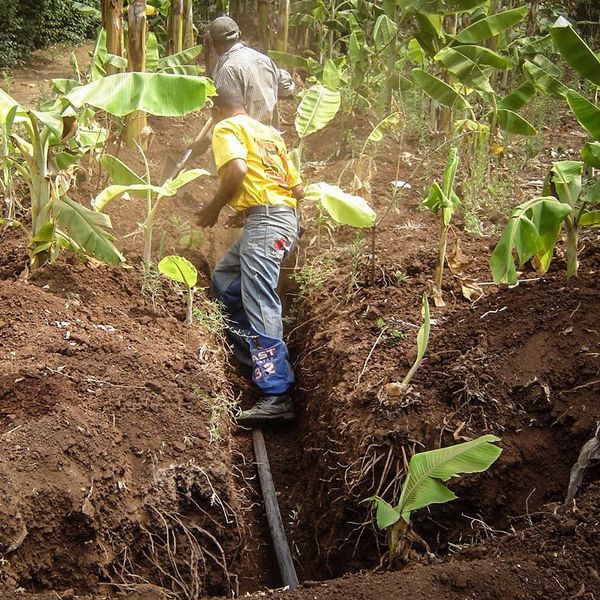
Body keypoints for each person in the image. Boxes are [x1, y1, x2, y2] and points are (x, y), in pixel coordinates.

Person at [196, 88, 303, 425]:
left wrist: (214, 208)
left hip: (268, 222)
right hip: (279, 217)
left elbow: (238, 171)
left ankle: (276, 395)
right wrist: (249, 208)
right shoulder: (270, 133)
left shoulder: (226, 128)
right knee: (225, 279)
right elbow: (297, 188)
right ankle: (251, 357)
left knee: (259, 298)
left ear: (218, 110)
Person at [189, 15, 294, 158]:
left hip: (244, 147)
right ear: (239, 35)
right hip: (271, 143)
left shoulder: (227, 69)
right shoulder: (263, 59)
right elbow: (286, 87)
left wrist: (204, 143)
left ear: (213, 42)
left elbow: (227, 117)